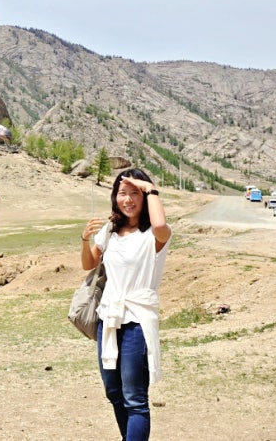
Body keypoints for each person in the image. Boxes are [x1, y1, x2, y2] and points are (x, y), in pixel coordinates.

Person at [80, 168, 172, 441]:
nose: (128, 199)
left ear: (146, 197)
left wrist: (151, 188)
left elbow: (159, 224)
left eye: (135, 193)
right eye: (123, 193)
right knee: (114, 392)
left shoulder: (155, 234)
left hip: (136, 321)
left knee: (134, 398)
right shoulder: (110, 231)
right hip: (108, 318)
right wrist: (84, 240)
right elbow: (88, 263)